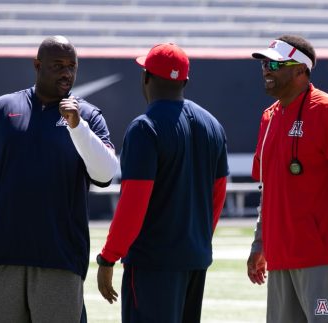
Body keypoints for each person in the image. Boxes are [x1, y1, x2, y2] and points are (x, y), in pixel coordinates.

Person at [0, 35, 119, 323]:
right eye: (58, 65)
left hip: (61, 260)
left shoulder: (88, 116)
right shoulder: (0, 109)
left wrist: (78, 128)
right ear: (37, 65)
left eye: (72, 66)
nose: (67, 73)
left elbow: (105, 173)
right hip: (2, 257)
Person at [95, 43, 229, 323]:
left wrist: (108, 257)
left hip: (152, 263)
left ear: (145, 77)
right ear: (185, 81)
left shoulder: (145, 127)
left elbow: (134, 202)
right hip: (195, 259)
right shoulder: (213, 125)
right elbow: (217, 196)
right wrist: (197, 240)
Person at [246, 35, 328, 323]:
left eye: (275, 64)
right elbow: (269, 190)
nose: (267, 69)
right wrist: (259, 244)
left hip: (319, 253)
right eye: (264, 64)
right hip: (279, 255)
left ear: (300, 71)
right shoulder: (268, 117)